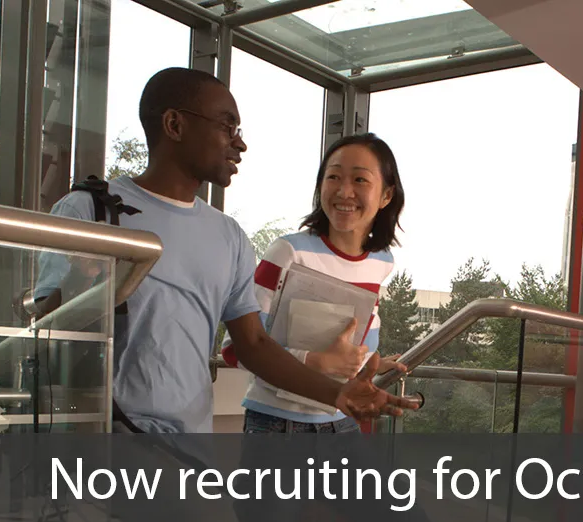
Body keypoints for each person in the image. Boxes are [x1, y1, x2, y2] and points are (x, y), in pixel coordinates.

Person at [34, 67, 416, 435]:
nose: (239, 142)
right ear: (175, 125)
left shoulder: (229, 235)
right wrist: (79, 280)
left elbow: (253, 345)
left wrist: (336, 393)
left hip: (189, 447)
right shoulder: (88, 211)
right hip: (103, 438)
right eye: (226, 126)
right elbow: (42, 335)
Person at [221, 133, 408, 434]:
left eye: (360, 180)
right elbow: (235, 349)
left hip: (343, 420)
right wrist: (316, 362)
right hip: (278, 425)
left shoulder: (381, 262)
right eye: (333, 176)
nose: (344, 191)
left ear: (386, 195)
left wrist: (370, 361)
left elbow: (352, 335)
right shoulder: (289, 253)